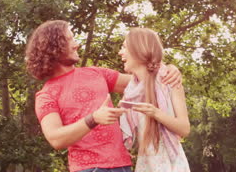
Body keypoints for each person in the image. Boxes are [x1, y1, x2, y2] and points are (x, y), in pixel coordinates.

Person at [25, 20, 182, 172]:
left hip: (123, 167)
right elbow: (56, 139)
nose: (76, 44)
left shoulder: (96, 73)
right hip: (89, 169)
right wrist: (93, 119)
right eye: (70, 39)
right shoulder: (45, 95)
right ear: (54, 46)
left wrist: (168, 69)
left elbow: (147, 81)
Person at [118, 28, 191, 172]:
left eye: (124, 47)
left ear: (139, 50)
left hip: (172, 164)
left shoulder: (169, 81)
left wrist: (155, 113)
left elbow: (184, 128)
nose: (120, 52)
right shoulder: (130, 92)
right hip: (146, 164)